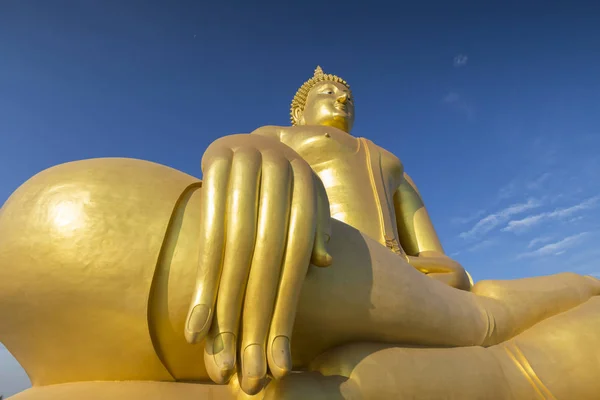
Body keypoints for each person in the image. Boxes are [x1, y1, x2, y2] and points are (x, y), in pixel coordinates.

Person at [1, 66, 599, 400]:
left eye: (343, 91)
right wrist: (246, 152)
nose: (337, 95)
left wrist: (441, 276)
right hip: (309, 264)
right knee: (51, 228)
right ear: (300, 110)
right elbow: (240, 167)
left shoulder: (387, 161)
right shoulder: (278, 139)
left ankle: (567, 297)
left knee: (489, 316)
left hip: (400, 284)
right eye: (324, 92)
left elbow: (429, 246)